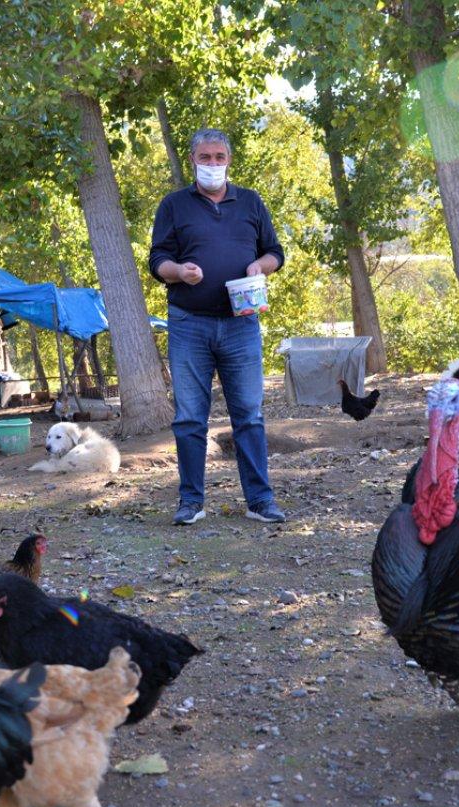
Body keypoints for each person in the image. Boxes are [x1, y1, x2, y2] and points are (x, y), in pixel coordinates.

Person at [148, 128, 285, 526]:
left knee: (250, 415)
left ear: (229, 160)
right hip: (189, 325)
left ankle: (260, 501)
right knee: (190, 418)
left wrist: (261, 266)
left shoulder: (251, 202)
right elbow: (157, 259)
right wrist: (178, 272)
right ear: (193, 160)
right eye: (205, 157)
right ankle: (191, 502)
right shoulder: (174, 205)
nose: (212, 164)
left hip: (241, 325)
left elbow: (275, 252)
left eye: (219, 157)